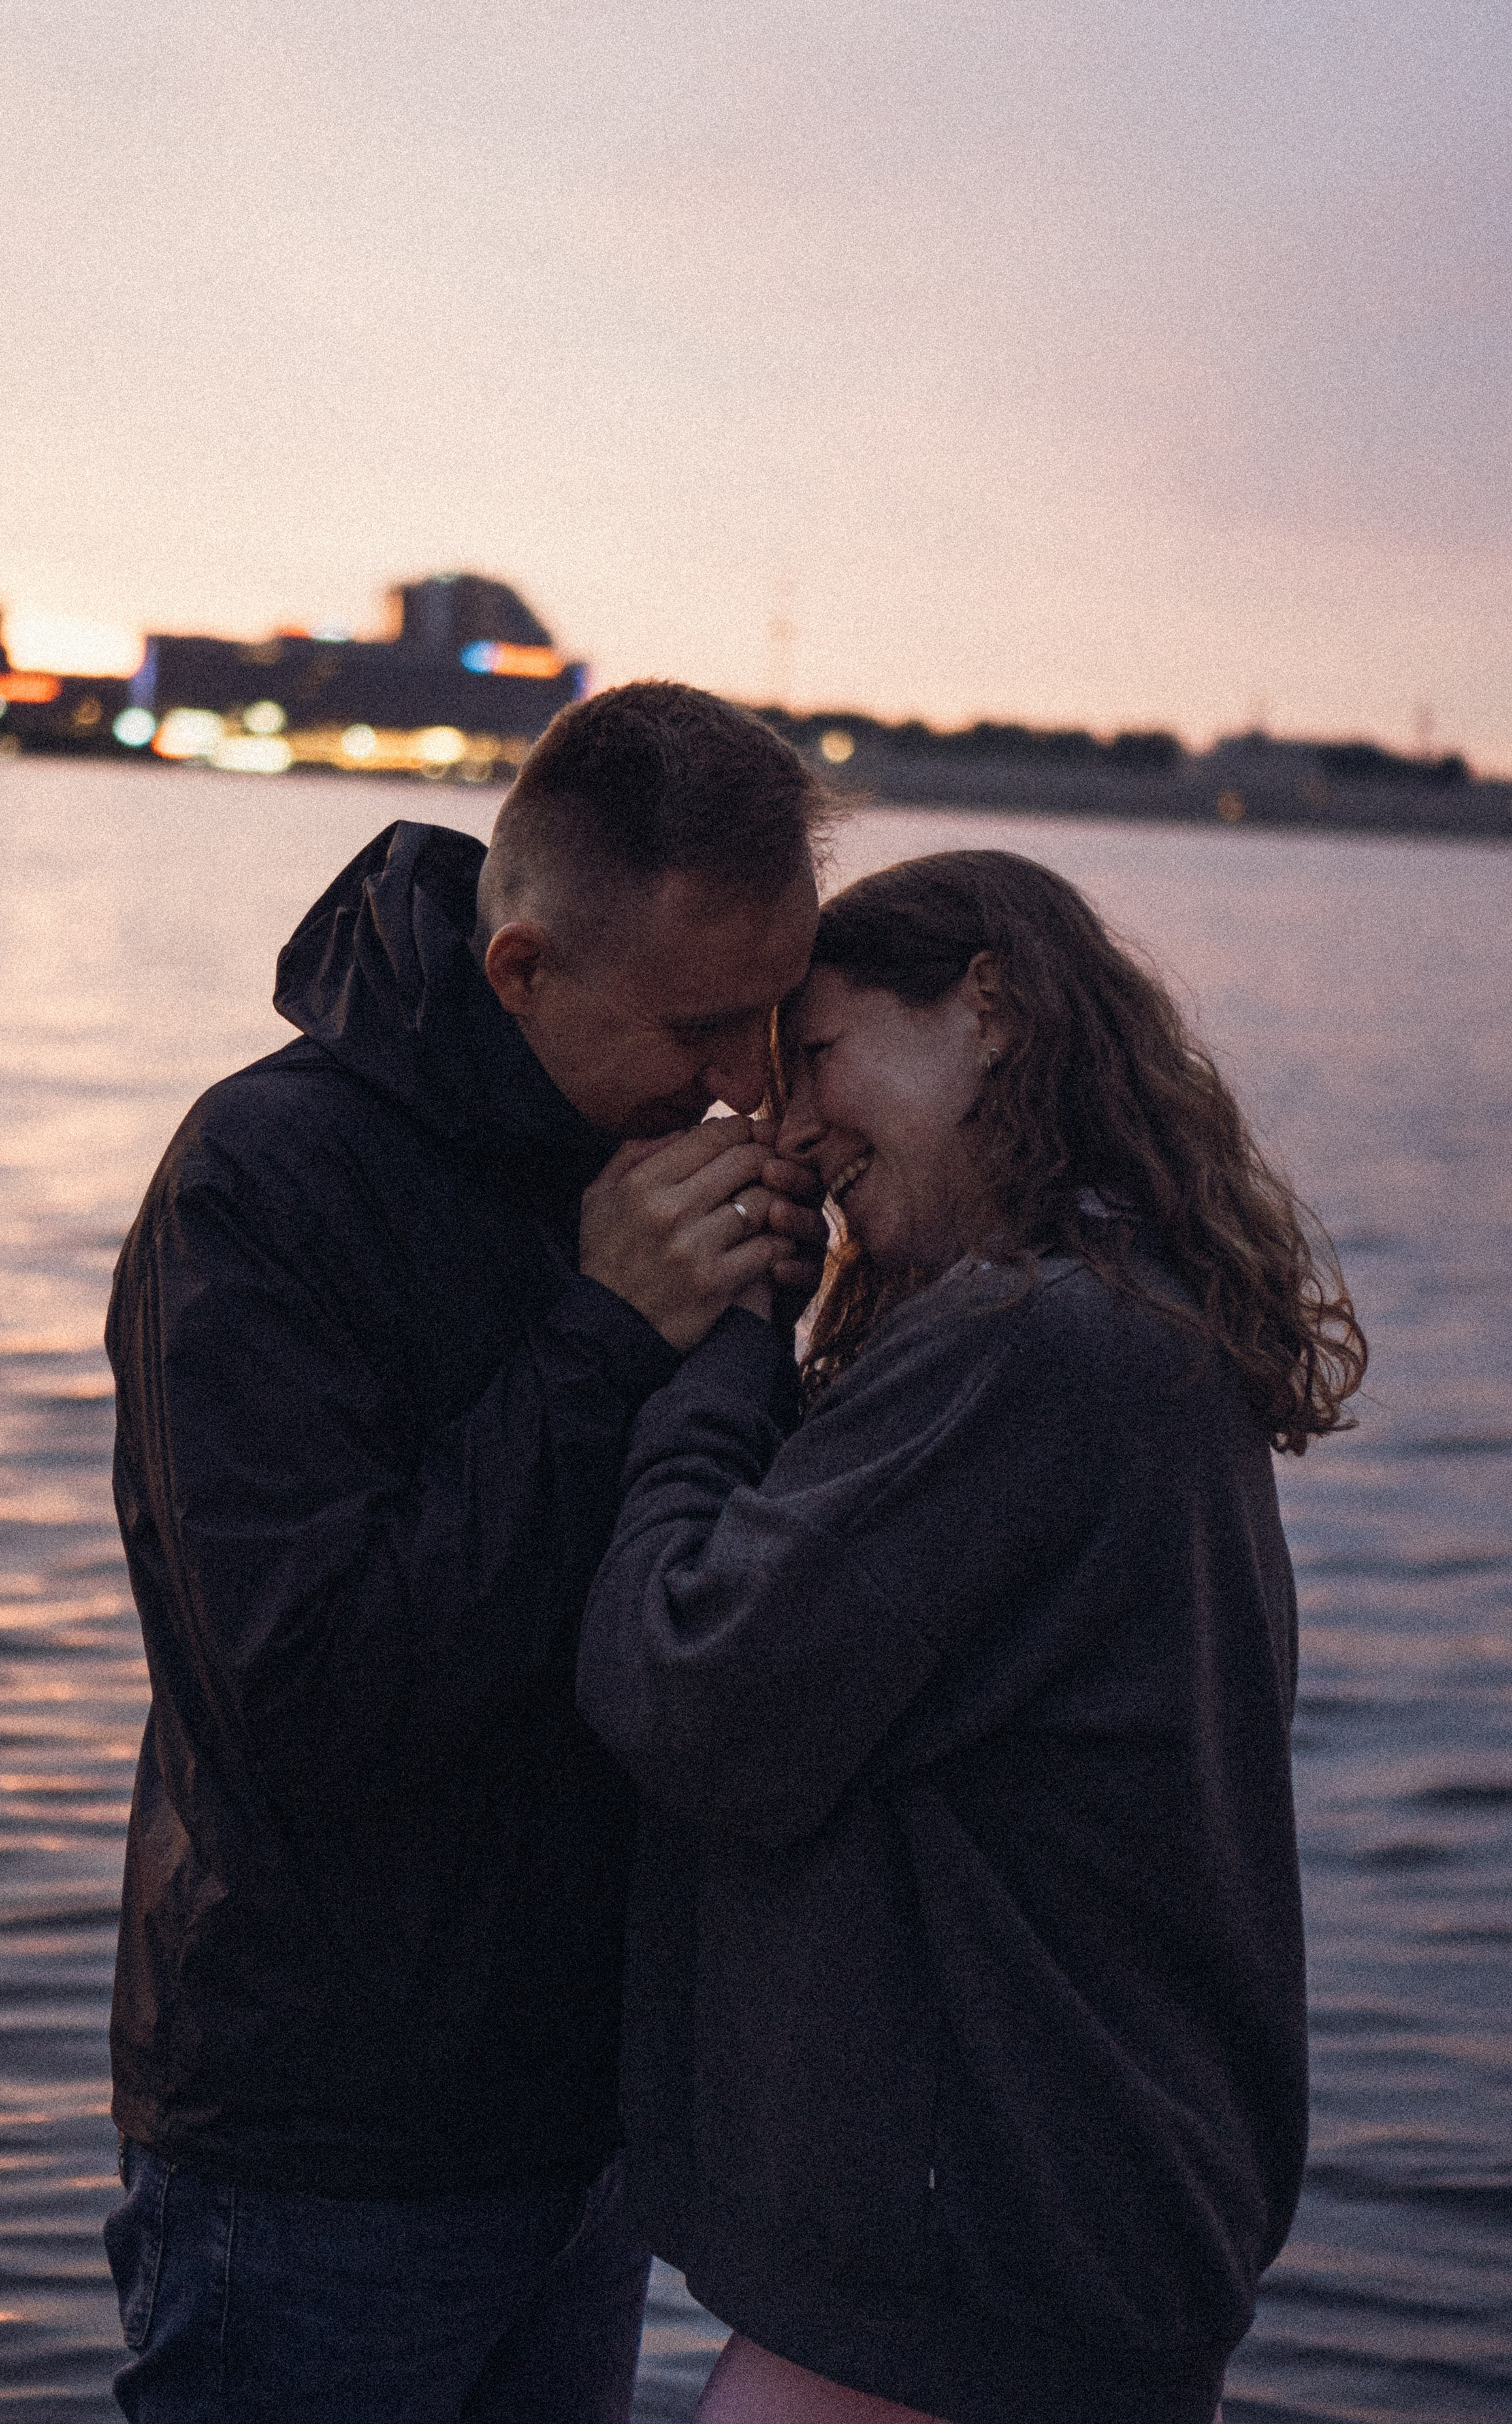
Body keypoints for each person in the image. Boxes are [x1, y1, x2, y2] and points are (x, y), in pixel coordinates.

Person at [101, 682, 831, 2423]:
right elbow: (310, 1697)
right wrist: (606, 1335)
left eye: (776, 1020)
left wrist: (765, 1341)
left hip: (586, 2132)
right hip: (320, 2154)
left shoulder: (644, 1163)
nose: (749, 1087)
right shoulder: (261, 1183)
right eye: (703, 1027)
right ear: (521, 971)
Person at [577, 848, 1368, 2424]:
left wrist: (715, 1350)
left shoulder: (1028, 1348)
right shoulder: (1134, 1320)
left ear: (989, 1010)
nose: (790, 1127)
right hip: (1070, 2243)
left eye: (819, 1054)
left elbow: (685, 1690)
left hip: (969, 2272)